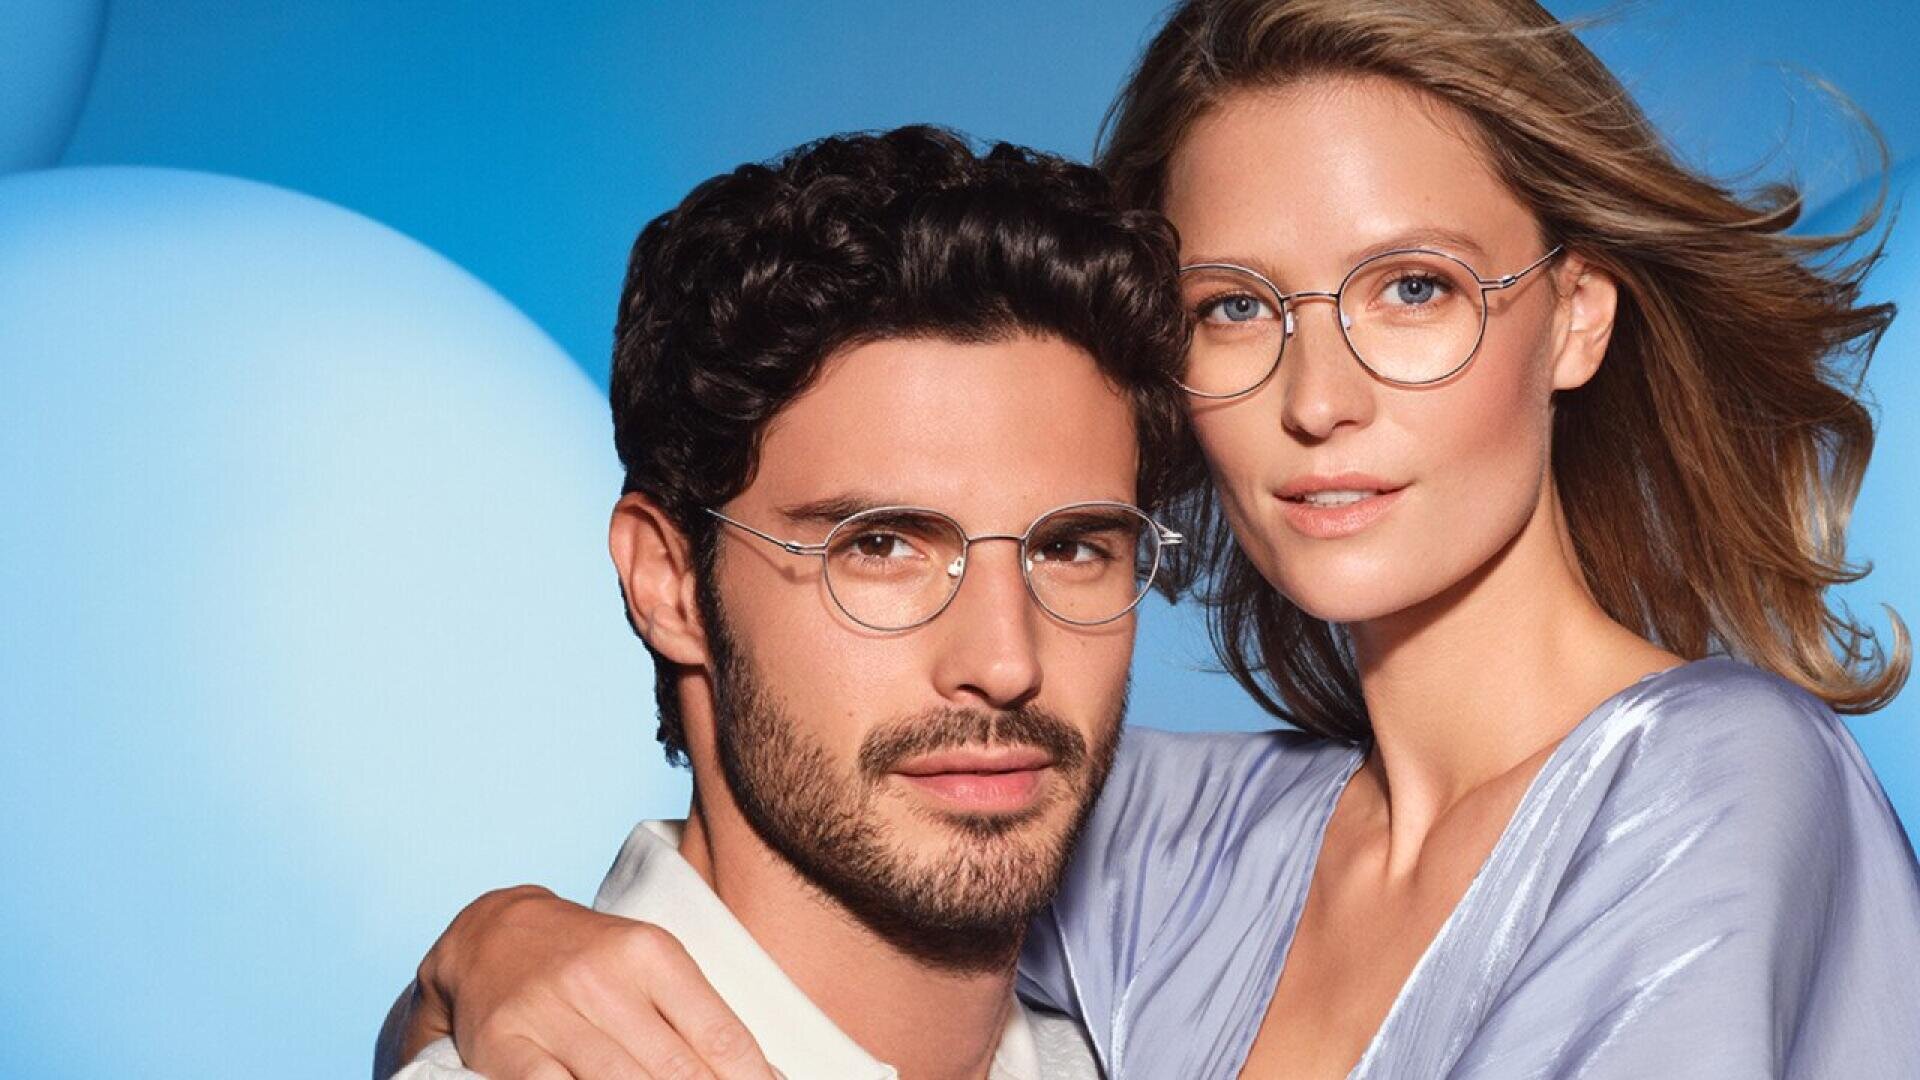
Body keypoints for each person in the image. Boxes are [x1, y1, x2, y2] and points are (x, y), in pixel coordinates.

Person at [383, 1, 1920, 1077]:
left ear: (1574, 315)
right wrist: (473, 967)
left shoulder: (1716, 782)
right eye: (1236, 308)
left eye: (1414, 289)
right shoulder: (1167, 841)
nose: (1319, 399)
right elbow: (814, 892)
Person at [375, 124, 1203, 1079]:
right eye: (879, 546)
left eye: (1069, 548)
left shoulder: (1180, 1038)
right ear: (669, 583)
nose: (1005, 662)